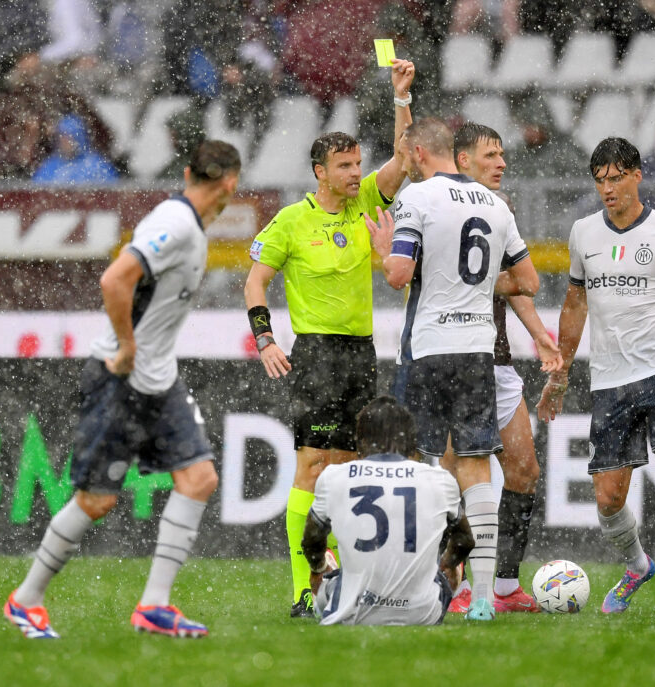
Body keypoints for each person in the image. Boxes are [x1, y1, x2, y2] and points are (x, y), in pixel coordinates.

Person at [4, 140, 242, 639]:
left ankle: (154, 607)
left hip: (160, 380)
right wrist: (129, 347)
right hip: (121, 378)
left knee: (198, 479)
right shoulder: (175, 224)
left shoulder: (186, 225)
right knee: (96, 500)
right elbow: (115, 280)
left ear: (186, 172)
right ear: (230, 183)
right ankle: (25, 601)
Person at [243, 58, 415, 619]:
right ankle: (301, 587)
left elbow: (405, 159)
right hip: (315, 354)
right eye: (344, 165)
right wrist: (266, 339)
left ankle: (334, 574)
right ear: (319, 171)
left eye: (356, 164)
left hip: (360, 354)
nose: (353, 172)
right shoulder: (291, 221)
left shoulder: (367, 199)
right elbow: (255, 280)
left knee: (343, 470)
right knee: (312, 464)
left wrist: (399, 98)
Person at [365, 116, 543, 621]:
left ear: (419, 153)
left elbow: (399, 276)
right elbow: (526, 279)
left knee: (423, 467)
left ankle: (419, 587)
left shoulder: (416, 200)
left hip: (429, 348)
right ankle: (483, 598)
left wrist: (385, 252)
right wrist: (476, 286)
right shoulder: (496, 204)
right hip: (478, 351)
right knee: (476, 468)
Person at [537, 136, 655, 618]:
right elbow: (574, 305)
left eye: (616, 178)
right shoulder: (582, 233)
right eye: (600, 180)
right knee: (608, 499)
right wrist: (559, 377)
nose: (608, 189)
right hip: (608, 381)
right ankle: (637, 566)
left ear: (638, 175)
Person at [443, 121, 563, 614]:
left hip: (497, 360)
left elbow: (518, 284)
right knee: (455, 479)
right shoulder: (438, 207)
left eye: (502, 154)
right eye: (491, 155)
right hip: (451, 360)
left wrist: (539, 336)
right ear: (463, 159)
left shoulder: (501, 209)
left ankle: (505, 586)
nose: (502, 163)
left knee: (524, 470)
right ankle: (456, 584)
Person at [300, 396, 476, 625]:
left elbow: (312, 540)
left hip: (354, 612)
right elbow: (465, 541)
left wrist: (318, 569)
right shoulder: (440, 480)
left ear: (360, 439)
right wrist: (447, 565)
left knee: (327, 569)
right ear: (410, 440)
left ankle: (328, 589)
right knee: (451, 564)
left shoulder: (334, 477)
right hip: (421, 613)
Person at [32, 113, 121, 185]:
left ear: (79, 139)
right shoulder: (49, 167)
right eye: (61, 137)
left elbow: (110, 195)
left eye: (69, 137)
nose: (64, 142)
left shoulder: (97, 166)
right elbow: (37, 194)